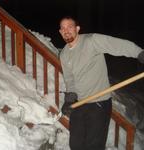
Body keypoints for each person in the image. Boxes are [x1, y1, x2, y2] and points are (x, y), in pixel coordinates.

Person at [59, 16, 144, 150]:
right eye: (63, 28)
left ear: (77, 29)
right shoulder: (64, 54)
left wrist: (139, 53)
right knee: (75, 144)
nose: (66, 30)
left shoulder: (91, 41)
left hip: (98, 103)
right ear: (60, 32)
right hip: (79, 103)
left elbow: (117, 45)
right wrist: (70, 99)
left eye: (69, 26)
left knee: (93, 146)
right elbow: (70, 79)